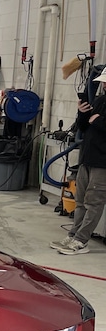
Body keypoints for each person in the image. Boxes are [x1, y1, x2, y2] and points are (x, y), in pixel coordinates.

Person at [50, 70, 106, 254]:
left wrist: (98, 121)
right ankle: (73, 234)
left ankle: (81, 241)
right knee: (80, 200)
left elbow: (97, 123)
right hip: (87, 157)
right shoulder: (100, 101)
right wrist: (82, 114)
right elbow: (84, 127)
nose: (104, 85)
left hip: (102, 162)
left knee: (94, 202)